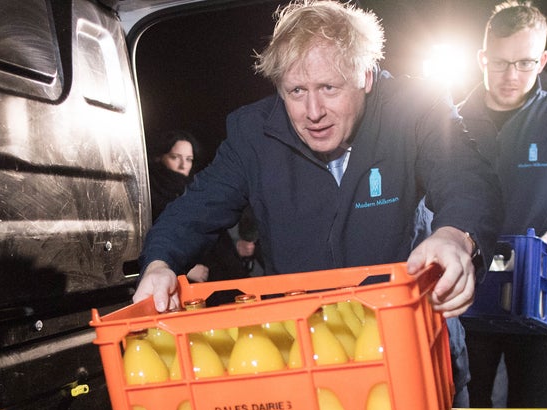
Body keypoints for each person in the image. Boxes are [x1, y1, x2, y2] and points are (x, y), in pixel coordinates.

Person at [133, 0, 501, 335]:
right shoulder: (252, 135)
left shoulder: (415, 109)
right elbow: (193, 210)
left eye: (329, 87)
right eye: (296, 91)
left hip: (412, 338)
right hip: (308, 347)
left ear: (366, 76)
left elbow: (466, 175)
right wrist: (158, 264)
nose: (313, 112)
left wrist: (454, 235)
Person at [457, 1, 547, 409]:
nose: (511, 76)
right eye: (500, 63)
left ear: (543, 60)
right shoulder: (449, 123)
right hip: (470, 299)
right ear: (482, 58)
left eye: (524, 63)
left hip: (542, 298)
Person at [148, 130, 248, 283]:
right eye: (175, 157)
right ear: (159, 157)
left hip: (218, 275)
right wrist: (182, 269)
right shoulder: (151, 195)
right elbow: (152, 239)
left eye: (189, 159)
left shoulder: (196, 190)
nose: (183, 165)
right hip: (185, 282)